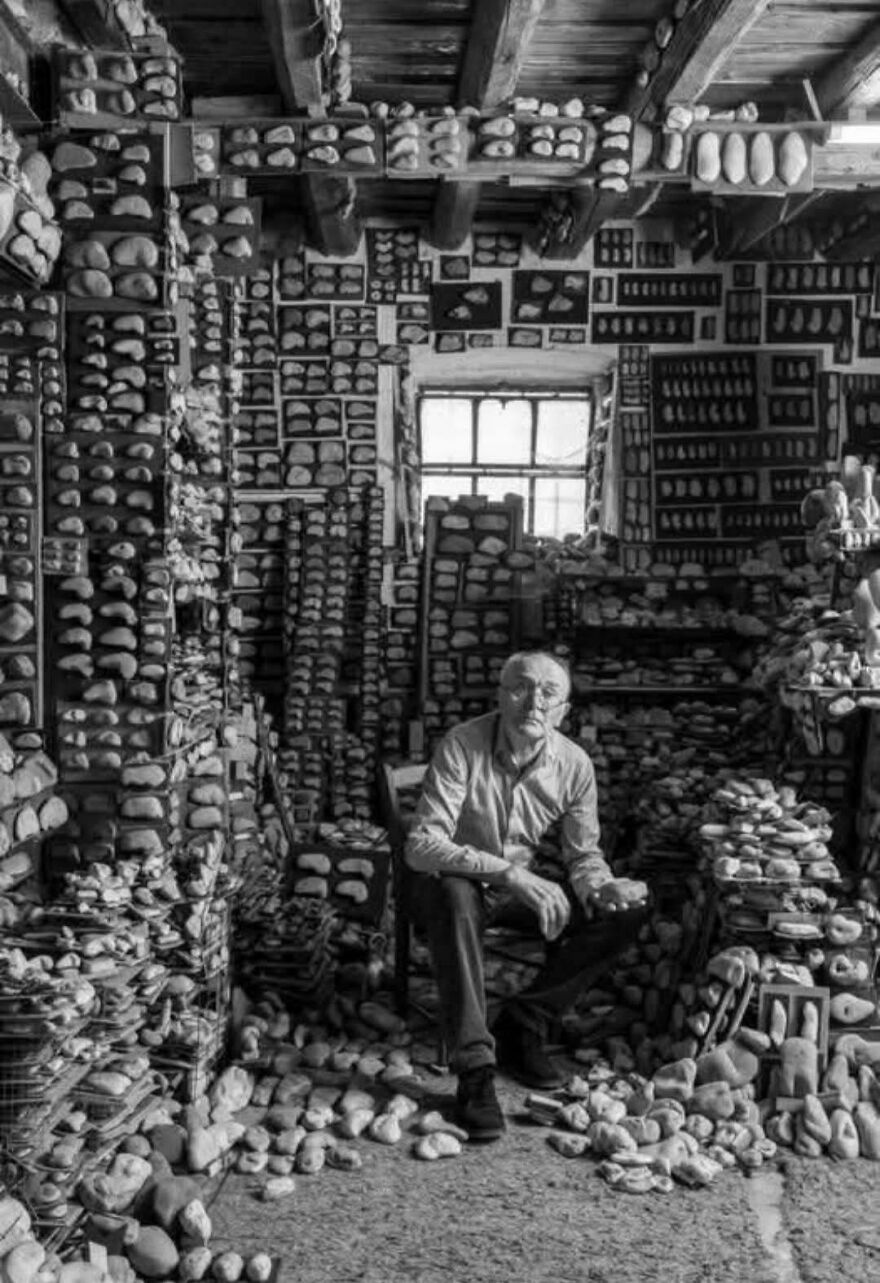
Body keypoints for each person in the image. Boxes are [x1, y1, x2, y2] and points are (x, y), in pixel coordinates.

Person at [404, 650, 649, 1141]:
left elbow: (583, 857)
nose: (534, 702)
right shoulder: (462, 745)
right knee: (452, 894)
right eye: (522, 687)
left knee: (626, 912)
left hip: (520, 889)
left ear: (564, 709)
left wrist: (601, 888)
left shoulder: (574, 765)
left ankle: (526, 1021)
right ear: (500, 694)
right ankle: (475, 1071)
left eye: (549, 693)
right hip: (466, 883)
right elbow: (421, 845)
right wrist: (511, 875)